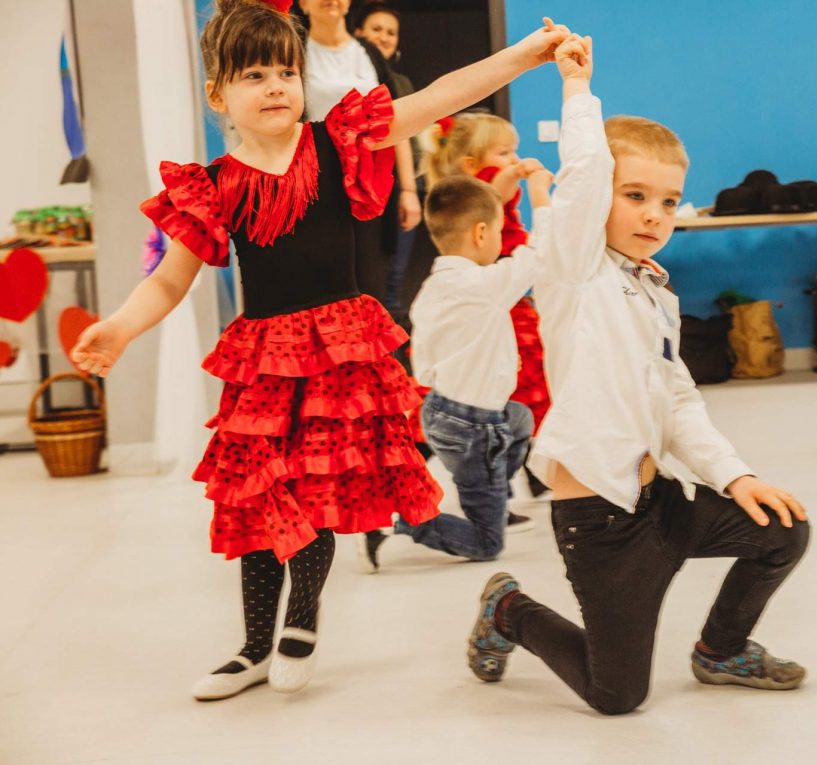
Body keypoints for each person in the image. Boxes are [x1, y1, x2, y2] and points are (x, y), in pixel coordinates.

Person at [69, 0, 570, 700]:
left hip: (339, 353)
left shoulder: (339, 143)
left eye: (286, 72)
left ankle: (301, 616)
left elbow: (436, 98)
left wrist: (523, 56)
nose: (275, 86)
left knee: (313, 495)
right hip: (264, 361)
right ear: (218, 95)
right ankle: (252, 647)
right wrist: (121, 326)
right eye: (254, 76)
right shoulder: (213, 186)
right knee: (257, 502)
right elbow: (169, 279)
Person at [466, 34, 810, 716]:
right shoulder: (572, 269)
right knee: (616, 694)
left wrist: (734, 476)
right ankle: (508, 610)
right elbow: (584, 175)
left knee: (782, 528)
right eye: (634, 195)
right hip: (600, 522)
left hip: (663, 504)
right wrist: (577, 89)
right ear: (599, 196)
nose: (654, 213)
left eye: (668, 201)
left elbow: (677, 400)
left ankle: (720, 650)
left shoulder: (654, 290)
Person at [387, 173, 551, 562]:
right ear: (480, 234)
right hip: (473, 426)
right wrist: (540, 196)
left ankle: (489, 488)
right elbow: (539, 254)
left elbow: (427, 362)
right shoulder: (484, 284)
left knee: (520, 419)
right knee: (487, 543)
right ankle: (404, 522)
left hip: (440, 411)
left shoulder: (431, 288)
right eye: (498, 231)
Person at [298, 0, 421, 306]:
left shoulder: (369, 53)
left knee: (369, 281)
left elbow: (395, 121)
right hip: (313, 181)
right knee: (319, 282)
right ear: (303, 4)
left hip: (370, 182)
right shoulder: (294, 51)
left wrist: (408, 190)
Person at [354, 2, 423, 314]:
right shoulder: (344, 77)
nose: (384, 37)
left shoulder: (401, 83)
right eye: (376, 29)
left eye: (391, 32)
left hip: (400, 183)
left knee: (393, 277)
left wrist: (409, 189)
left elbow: (402, 135)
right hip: (360, 185)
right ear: (358, 33)